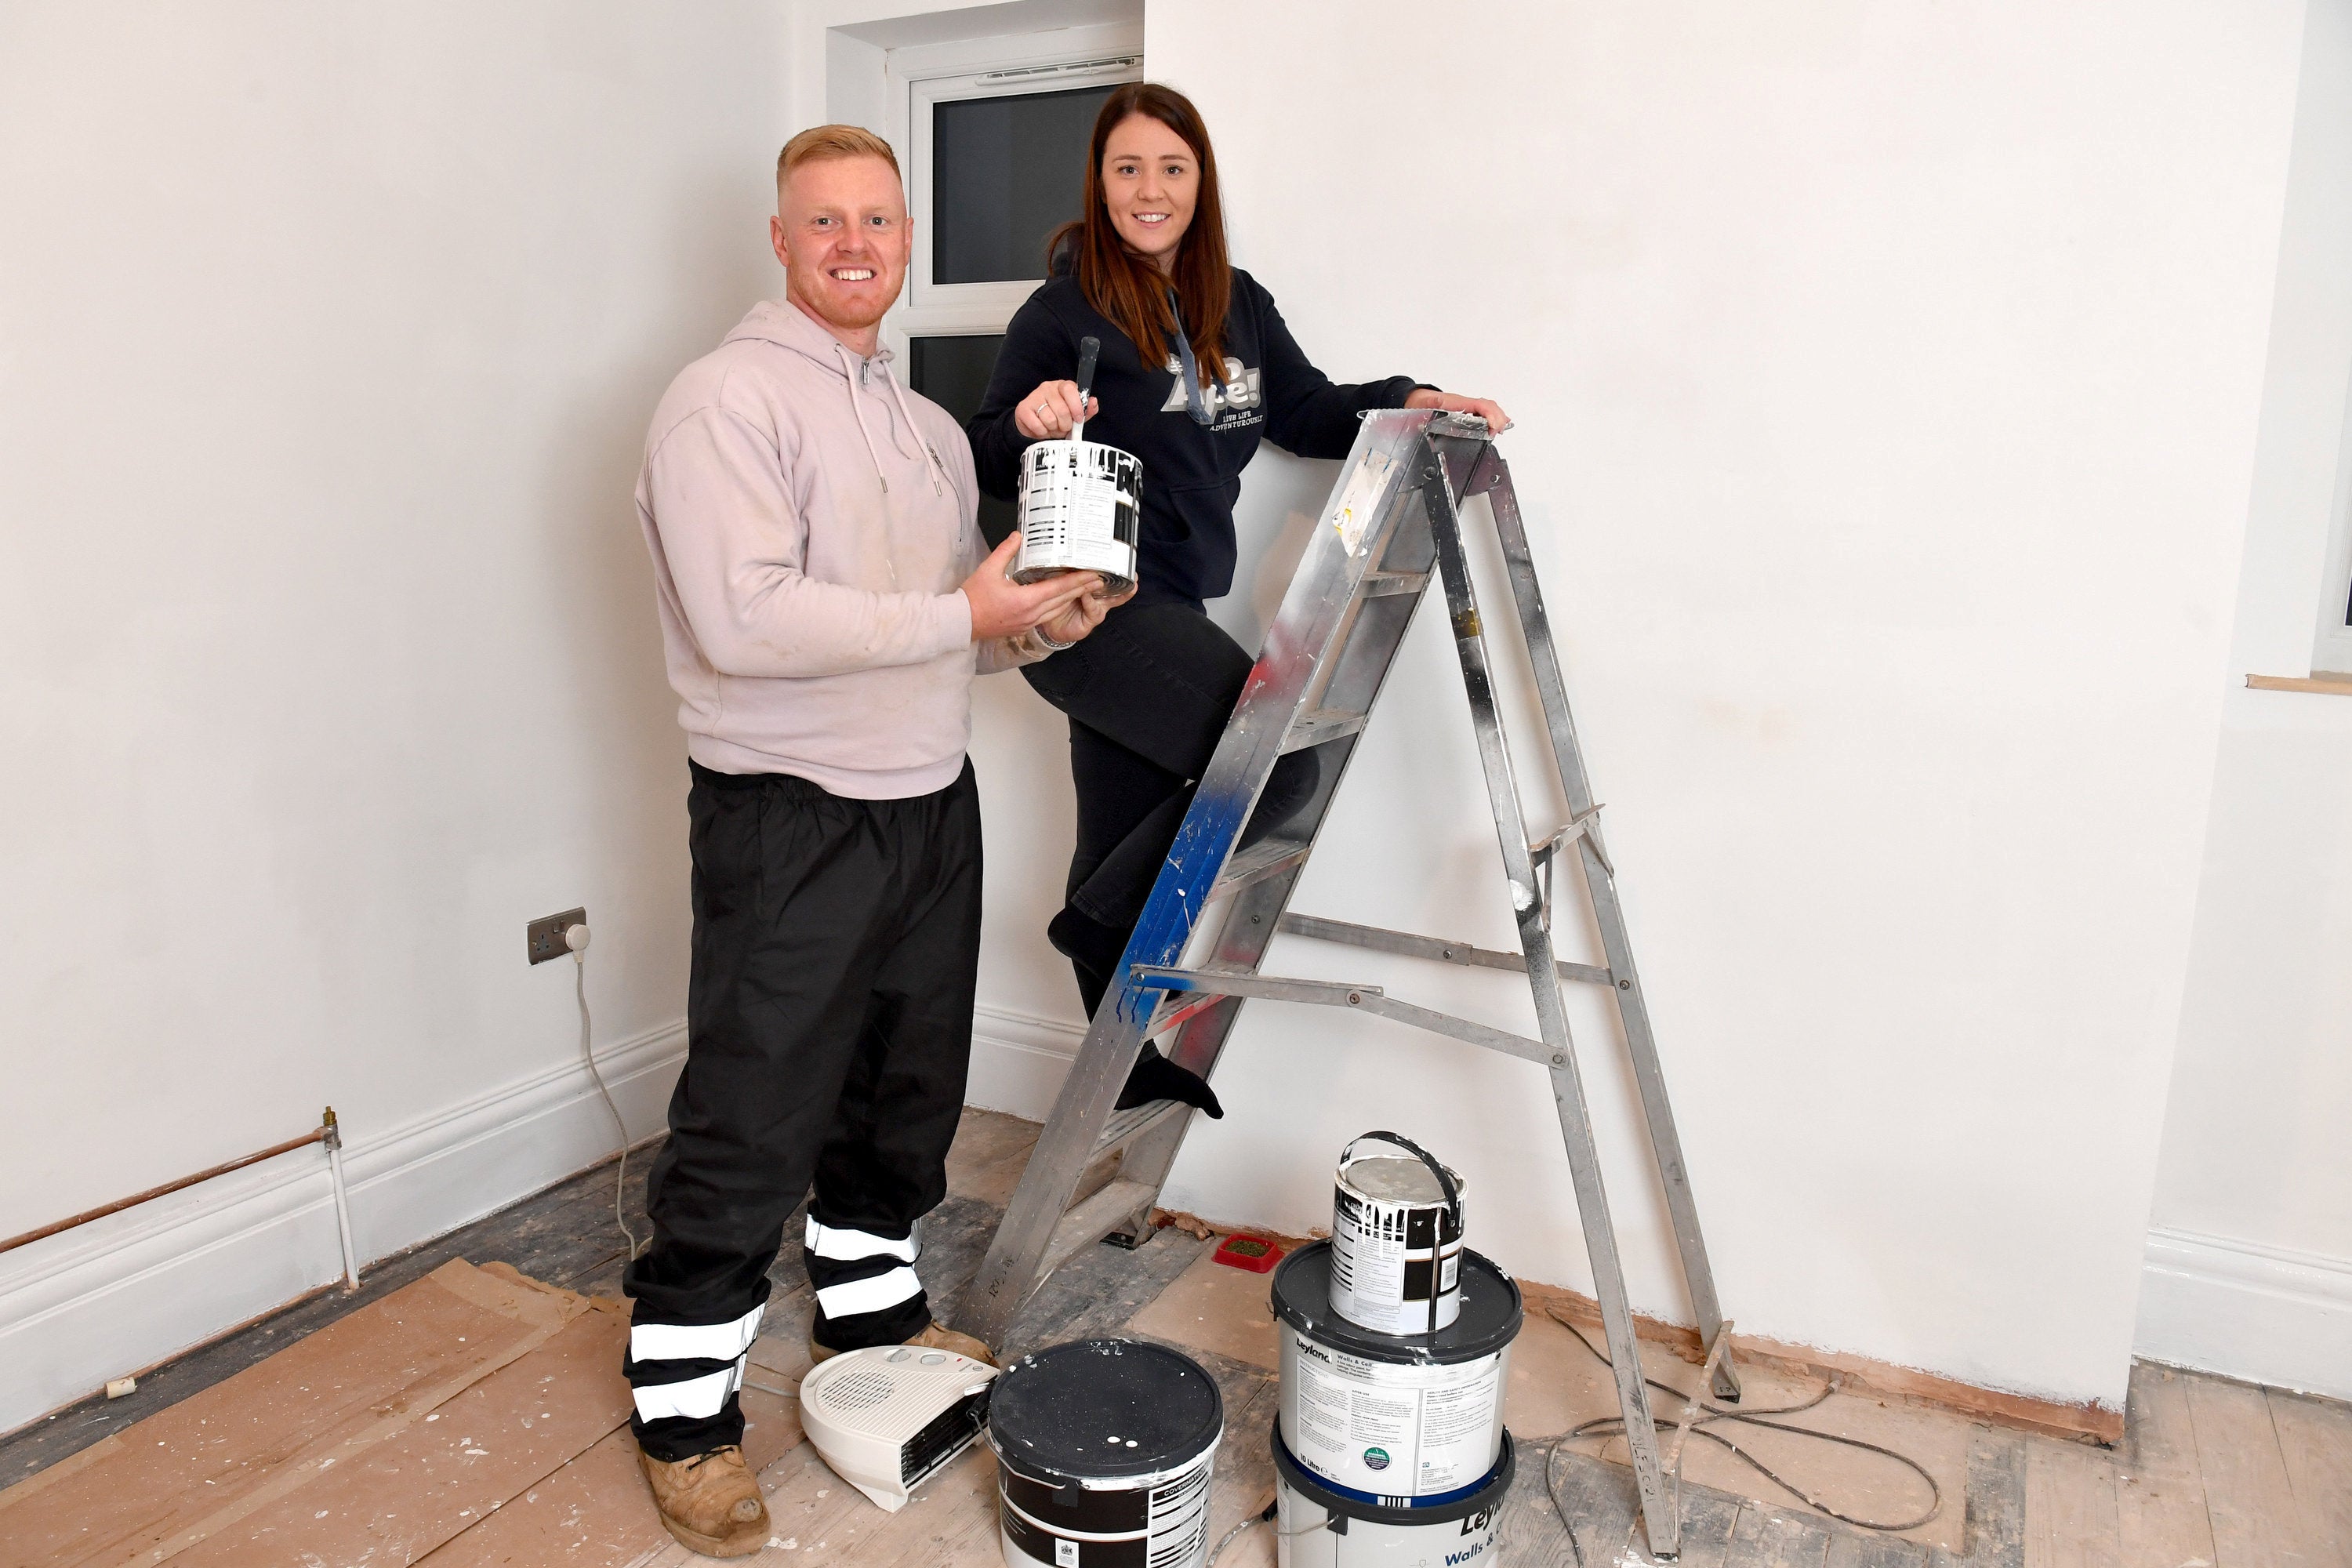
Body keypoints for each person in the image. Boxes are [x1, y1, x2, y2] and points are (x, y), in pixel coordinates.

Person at [623, 125, 1117, 1559]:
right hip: (790, 816)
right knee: (757, 1100)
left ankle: (873, 1309)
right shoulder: (720, 403)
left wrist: (1029, 629)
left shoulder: (907, 418)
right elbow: (751, 622)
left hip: (926, 801)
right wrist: (971, 617)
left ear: (903, 243)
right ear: (780, 241)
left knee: (906, 1086)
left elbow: (926, 634)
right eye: (826, 221)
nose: (857, 244)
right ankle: (684, 1411)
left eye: (880, 221)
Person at [967, 83, 1508, 1112]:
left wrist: (1407, 401)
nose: (1149, 189)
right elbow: (988, 451)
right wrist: (1030, 419)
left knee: (1116, 834)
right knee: (1278, 766)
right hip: (1084, 603)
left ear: (1199, 181)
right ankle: (1097, 933)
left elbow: (1303, 413)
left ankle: (1120, 1064)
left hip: (1176, 598)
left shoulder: (1236, 302)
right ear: (1100, 182)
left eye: (1171, 168)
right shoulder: (1062, 312)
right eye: (1127, 169)